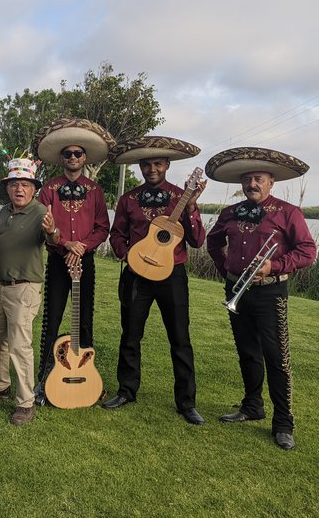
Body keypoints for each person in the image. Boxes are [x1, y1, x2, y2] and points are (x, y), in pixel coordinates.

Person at [205, 146, 317, 450]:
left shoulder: (288, 212)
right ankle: (252, 406)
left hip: (270, 292)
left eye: (258, 178)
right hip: (235, 290)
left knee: (277, 358)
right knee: (247, 352)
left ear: (271, 182)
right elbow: (213, 241)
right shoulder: (230, 212)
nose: (251, 184)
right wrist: (224, 266)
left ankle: (283, 423)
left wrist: (274, 265)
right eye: (247, 179)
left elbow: (307, 250)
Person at [104, 136, 207, 426]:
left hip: (172, 274)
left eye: (158, 163)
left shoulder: (181, 197)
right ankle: (126, 390)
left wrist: (191, 208)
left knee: (180, 339)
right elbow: (116, 235)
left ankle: (187, 402)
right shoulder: (128, 200)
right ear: (140, 166)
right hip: (137, 275)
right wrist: (130, 255)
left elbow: (198, 241)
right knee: (130, 335)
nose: (152, 168)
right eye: (147, 164)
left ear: (167, 165)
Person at [0, 155, 59, 425]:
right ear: (7, 187)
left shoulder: (42, 213)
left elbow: (52, 238)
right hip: (0, 285)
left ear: (34, 188)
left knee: (20, 346)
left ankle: (25, 402)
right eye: (14, 184)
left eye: (24, 184)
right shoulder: (5, 211)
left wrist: (53, 231)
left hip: (24, 288)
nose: (19, 189)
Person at [31, 118, 113, 404]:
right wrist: (66, 244)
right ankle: (42, 381)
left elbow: (103, 228)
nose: (73, 158)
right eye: (68, 153)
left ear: (85, 157)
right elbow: (42, 224)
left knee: (85, 320)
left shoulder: (96, 191)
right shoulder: (48, 190)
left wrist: (83, 247)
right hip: (57, 262)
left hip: (84, 263)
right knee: (50, 321)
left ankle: (89, 377)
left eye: (78, 153)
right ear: (62, 158)